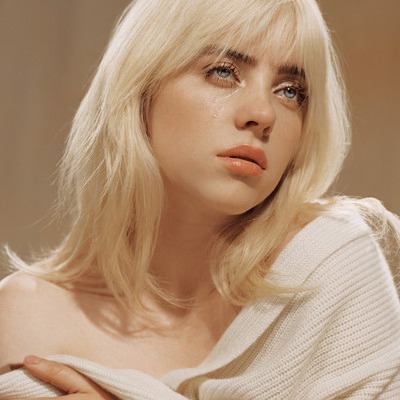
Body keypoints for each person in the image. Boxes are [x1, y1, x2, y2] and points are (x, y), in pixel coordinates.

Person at [1, 0, 399, 398]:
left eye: (290, 91)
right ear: (142, 87)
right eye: (223, 71)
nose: (264, 114)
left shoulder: (331, 264)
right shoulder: (29, 317)